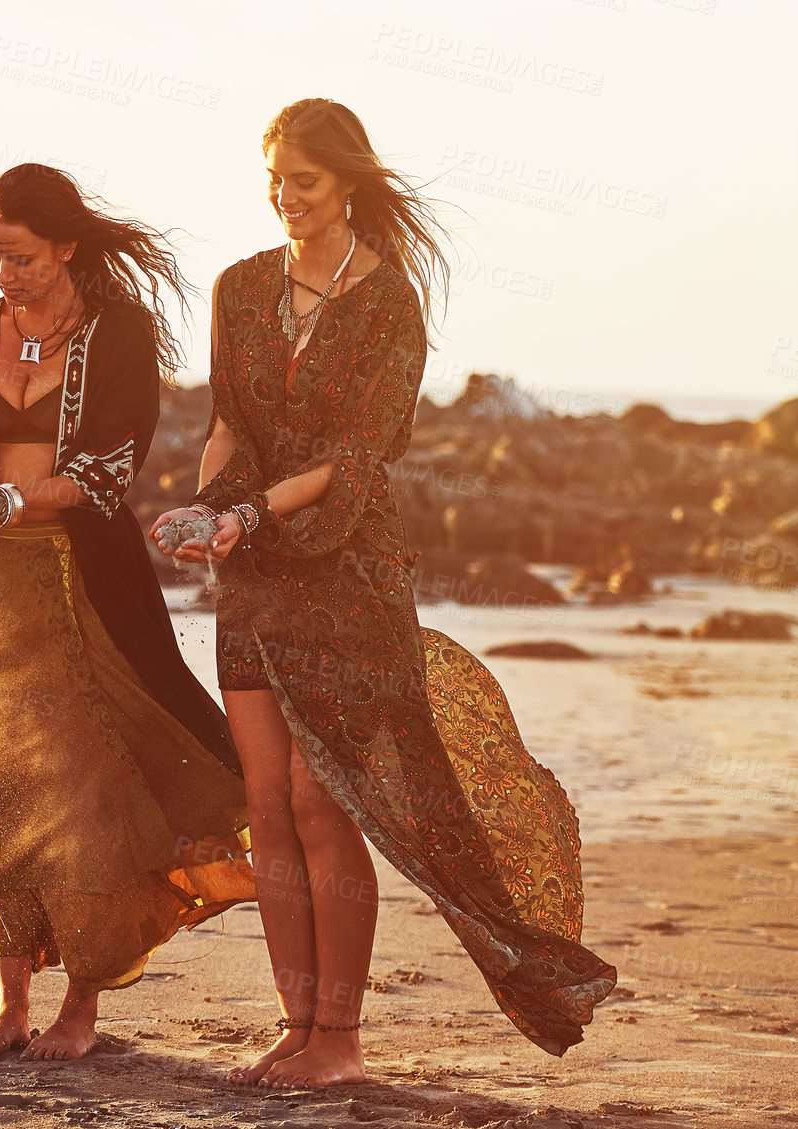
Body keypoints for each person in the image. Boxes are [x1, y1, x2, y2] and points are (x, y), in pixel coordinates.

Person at [151, 98, 616, 1087]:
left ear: (349, 181)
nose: (285, 199)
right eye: (274, 179)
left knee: (323, 804)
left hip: (347, 570)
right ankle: (296, 1022)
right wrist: (205, 511)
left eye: (304, 183)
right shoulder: (238, 287)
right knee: (267, 805)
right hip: (251, 569)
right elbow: (229, 420)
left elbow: (358, 456)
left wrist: (251, 517)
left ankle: (344, 1040)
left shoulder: (389, 299)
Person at [0, 163, 255, 1062]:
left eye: (20, 256)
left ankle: (80, 1010)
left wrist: (7, 503)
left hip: (84, 579)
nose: (5, 273)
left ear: (65, 246)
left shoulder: (122, 333)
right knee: (6, 787)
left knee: (88, 788)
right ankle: (11, 1002)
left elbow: (109, 470)